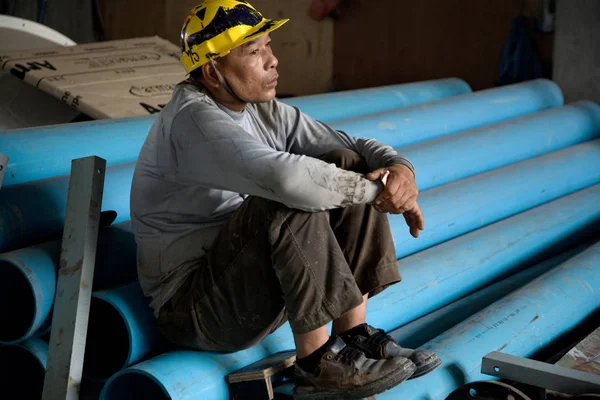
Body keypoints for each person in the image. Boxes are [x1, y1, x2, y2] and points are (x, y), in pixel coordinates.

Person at [130, 0, 441, 398]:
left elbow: (353, 148)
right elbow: (286, 181)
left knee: (345, 162)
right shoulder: (194, 120)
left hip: (246, 283)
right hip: (194, 309)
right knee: (288, 195)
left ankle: (354, 336)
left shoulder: (261, 110)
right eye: (254, 52)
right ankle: (316, 365)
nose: (273, 61)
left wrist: (400, 171)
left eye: (269, 46)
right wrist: (381, 194)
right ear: (212, 72)